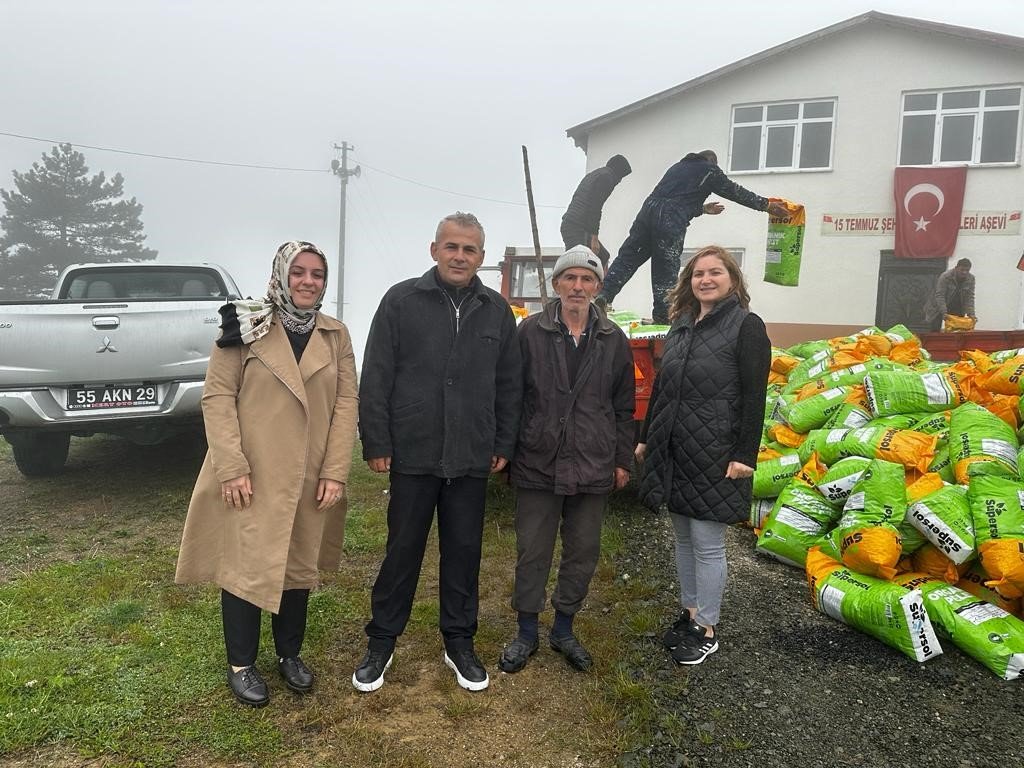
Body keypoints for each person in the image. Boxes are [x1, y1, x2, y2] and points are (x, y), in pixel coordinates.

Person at [175, 241, 359, 707]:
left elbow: (345, 404)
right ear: (281, 274)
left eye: (317, 274)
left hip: (310, 471)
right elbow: (217, 397)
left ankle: (289, 655)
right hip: (251, 472)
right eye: (298, 272)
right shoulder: (246, 325)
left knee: (297, 566)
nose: (308, 282)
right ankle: (241, 663)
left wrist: (335, 470)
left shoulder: (336, 335)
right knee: (244, 568)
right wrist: (231, 467)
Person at [354, 212, 522, 693]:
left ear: (482, 259)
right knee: (401, 552)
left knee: (464, 554)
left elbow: (510, 386)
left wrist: (503, 443)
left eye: (470, 250)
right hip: (412, 453)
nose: (460, 256)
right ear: (434, 250)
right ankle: (382, 641)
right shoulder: (401, 301)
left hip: (471, 455)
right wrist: (378, 441)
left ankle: (459, 642)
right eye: (452, 247)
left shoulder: (497, 312)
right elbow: (378, 377)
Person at [498, 245, 635, 674]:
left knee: (582, 550)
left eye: (587, 279)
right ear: (556, 284)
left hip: (593, 461)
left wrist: (622, 459)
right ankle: (525, 632)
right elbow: (512, 397)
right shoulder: (530, 334)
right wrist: (509, 449)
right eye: (570, 278)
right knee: (532, 550)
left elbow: (623, 407)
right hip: (539, 459)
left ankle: (563, 628)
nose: (578, 286)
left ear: (597, 287)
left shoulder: (614, 340)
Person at [634, 245, 770, 665]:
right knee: (682, 539)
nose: (705, 279)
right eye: (698, 273)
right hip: (675, 448)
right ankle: (691, 613)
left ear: (732, 278)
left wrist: (744, 452)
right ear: (689, 282)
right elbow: (662, 388)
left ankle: (707, 627)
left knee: (708, 543)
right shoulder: (681, 324)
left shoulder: (747, 326)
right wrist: (645, 438)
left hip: (716, 450)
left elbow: (755, 396)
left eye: (715, 272)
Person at [596, 150, 788, 323]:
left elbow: (676, 198)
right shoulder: (709, 170)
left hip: (647, 213)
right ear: (712, 161)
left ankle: (603, 296)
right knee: (665, 267)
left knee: (628, 258)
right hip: (670, 219)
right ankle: (663, 318)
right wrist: (766, 205)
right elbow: (734, 191)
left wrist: (702, 209)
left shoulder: (678, 167)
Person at [560, 154, 632, 269]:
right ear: (617, 172)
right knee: (579, 266)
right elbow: (595, 207)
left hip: (574, 226)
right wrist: (594, 238)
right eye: (621, 177)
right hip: (576, 228)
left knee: (603, 257)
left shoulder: (596, 174)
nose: (619, 181)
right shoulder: (607, 178)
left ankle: (603, 287)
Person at [925, 257, 976, 331]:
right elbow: (940, 295)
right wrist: (944, 312)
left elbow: (970, 297)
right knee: (934, 330)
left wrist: (971, 314)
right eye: (962, 269)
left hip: (957, 307)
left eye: (967, 270)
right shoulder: (945, 276)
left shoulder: (971, 279)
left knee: (957, 331)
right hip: (937, 307)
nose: (964, 272)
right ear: (956, 268)